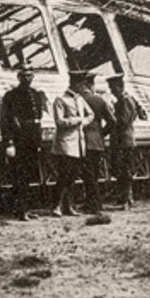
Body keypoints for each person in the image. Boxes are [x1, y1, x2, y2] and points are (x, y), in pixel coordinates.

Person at [0, 63, 47, 221]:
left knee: (30, 175)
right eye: (24, 75)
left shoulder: (36, 94)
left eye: (30, 75)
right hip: (20, 140)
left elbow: (38, 119)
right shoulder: (11, 95)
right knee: (19, 176)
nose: (28, 78)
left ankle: (27, 208)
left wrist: (38, 141)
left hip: (32, 140)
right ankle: (20, 210)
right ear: (19, 77)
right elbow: (5, 121)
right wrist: (9, 142)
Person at [50, 70, 94, 217]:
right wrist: (78, 120)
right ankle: (56, 206)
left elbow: (91, 114)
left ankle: (68, 206)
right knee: (64, 176)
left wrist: (84, 123)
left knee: (72, 176)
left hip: (78, 145)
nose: (84, 88)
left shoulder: (80, 99)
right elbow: (59, 122)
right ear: (76, 84)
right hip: (65, 144)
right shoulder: (60, 100)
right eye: (82, 84)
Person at [74, 72, 115, 215]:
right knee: (95, 175)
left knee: (88, 175)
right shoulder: (99, 100)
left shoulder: (77, 100)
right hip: (97, 142)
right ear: (91, 85)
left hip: (82, 141)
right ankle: (95, 203)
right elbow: (112, 122)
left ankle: (93, 205)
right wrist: (101, 134)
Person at [107, 74, 146, 209]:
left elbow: (122, 121)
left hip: (123, 140)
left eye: (113, 88)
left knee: (125, 170)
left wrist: (110, 119)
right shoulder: (128, 100)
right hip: (124, 139)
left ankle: (127, 199)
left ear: (119, 87)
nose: (112, 91)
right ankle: (126, 197)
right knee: (123, 169)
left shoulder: (124, 101)